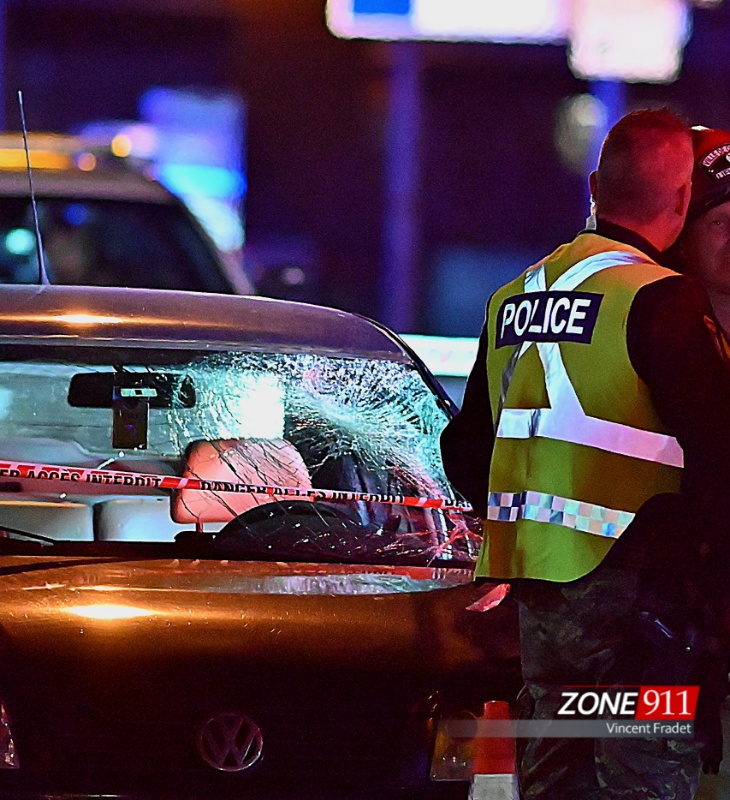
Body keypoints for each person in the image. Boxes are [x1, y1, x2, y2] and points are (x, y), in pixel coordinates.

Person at [440, 108, 730, 800]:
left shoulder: (514, 296)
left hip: (544, 615)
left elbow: (466, 449)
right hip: (642, 616)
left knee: (556, 783)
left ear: (597, 184)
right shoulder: (662, 300)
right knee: (644, 782)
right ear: (684, 201)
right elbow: (722, 458)